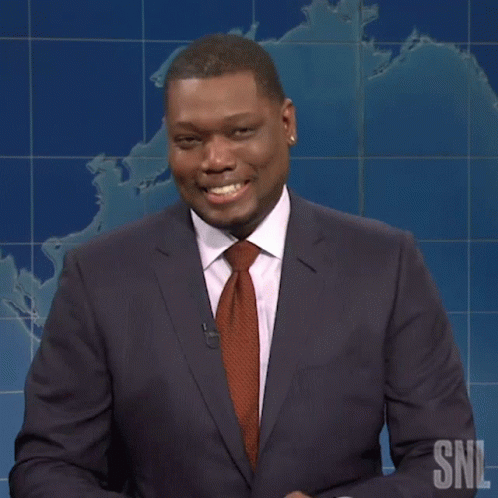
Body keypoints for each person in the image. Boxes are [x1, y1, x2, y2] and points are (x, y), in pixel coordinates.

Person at [10, 34, 475, 498]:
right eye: (189, 140)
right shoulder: (100, 278)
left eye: (240, 132)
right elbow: (44, 469)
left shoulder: (384, 265)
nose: (215, 161)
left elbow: (455, 464)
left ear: (287, 123)